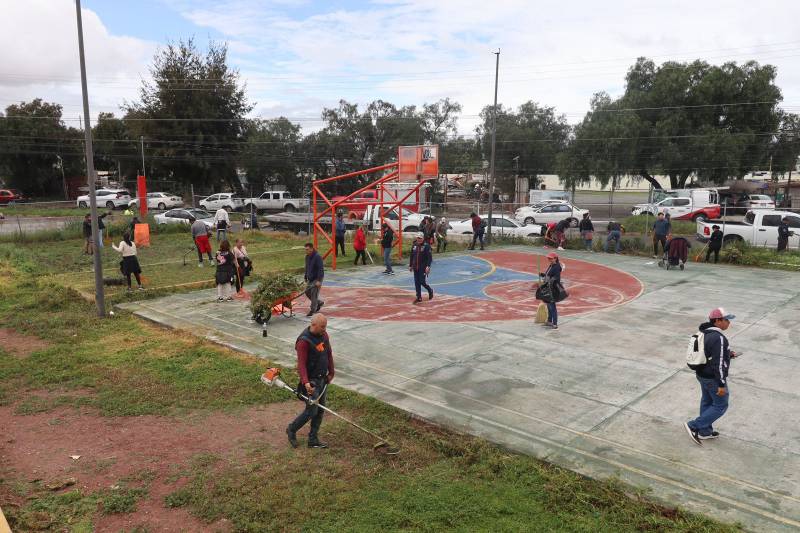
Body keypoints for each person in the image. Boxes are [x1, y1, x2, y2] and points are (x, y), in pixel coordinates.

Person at [684, 308, 739, 445]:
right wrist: (721, 384)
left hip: (702, 374)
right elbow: (718, 363)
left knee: (707, 402)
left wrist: (728, 354)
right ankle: (694, 425)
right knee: (721, 405)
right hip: (713, 378)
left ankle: (704, 431)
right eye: (726, 320)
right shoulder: (718, 338)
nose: (728, 323)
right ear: (718, 321)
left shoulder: (704, 332)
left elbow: (709, 353)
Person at [287, 313, 335, 449]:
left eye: (325, 327)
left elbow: (328, 353)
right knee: (311, 411)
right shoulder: (304, 342)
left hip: (323, 380)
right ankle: (291, 429)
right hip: (311, 382)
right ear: (313, 325)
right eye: (322, 327)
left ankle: (313, 439)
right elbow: (301, 364)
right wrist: (306, 382)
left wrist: (331, 372)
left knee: (320, 410)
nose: (324, 330)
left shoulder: (324, 335)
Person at [409, 232, 433, 304]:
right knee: (416, 282)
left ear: (423, 238)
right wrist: (410, 265)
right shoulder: (414, 245)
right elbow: (411, 256)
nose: (418, 239)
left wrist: (428, 266)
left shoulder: (426, 246)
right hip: (415, 266)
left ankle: (430, 290)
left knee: (422, 281)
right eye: (417, 238)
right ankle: (419, 297)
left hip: (422, 267)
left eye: (420, 238)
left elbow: (429, 258)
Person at [541, 251, 563, 330]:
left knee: (552, 306)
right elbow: (549, 274)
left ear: (555, 258)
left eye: (551, 258)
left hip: (553, 289)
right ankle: (549, 321)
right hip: (548, 287)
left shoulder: (556, 267)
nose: (549, 259)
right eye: (548, 258)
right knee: (548, 305)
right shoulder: (551, 265)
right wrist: (544, 275)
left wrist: (549, 280)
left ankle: (555, 323)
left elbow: (556, 278)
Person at [304, 243, 324, 316]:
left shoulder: (317, 257)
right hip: (310, 278)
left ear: (312, 249)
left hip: (317, 278)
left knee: (313, 293)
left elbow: (320, 269)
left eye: (307, 249)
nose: (306, 251)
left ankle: (313, 310)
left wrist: (319, 280)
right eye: (305, 249)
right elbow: (307, 267)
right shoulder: (307, 257)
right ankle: (319, 302)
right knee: (307, 292)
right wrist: (305, 276)